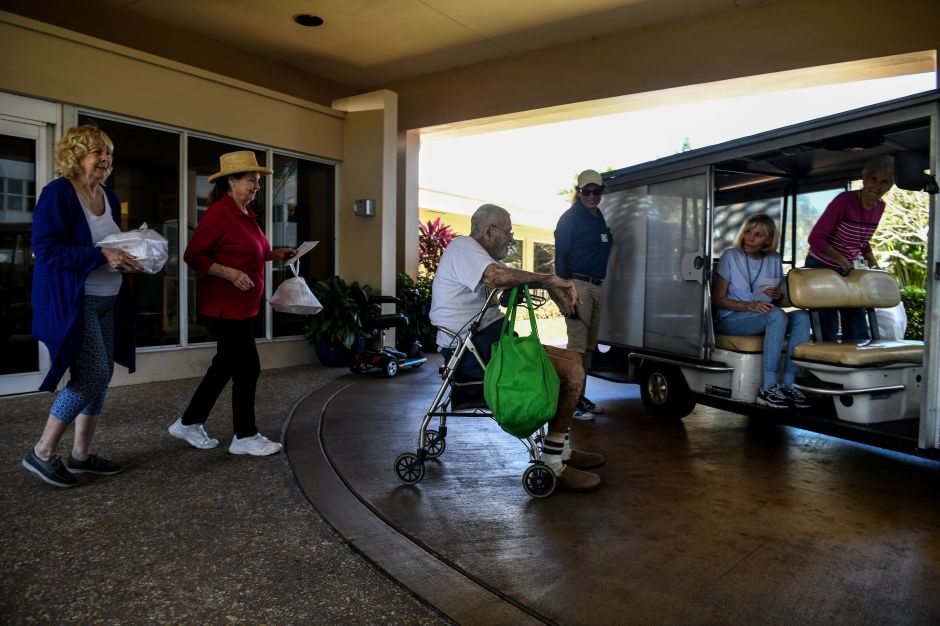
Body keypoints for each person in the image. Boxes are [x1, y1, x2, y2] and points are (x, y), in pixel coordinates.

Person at [430, 203, 605, 492]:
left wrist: (540, 291)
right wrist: (547, 279)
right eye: (508, 232)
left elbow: (497, 286)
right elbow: (496, 277)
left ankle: (560, 448)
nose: (511, 239)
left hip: (489, 340)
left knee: (574, 358)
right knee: (572, 373)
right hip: (472, 350)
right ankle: (553, 462)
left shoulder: (476, 256)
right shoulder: (464, 247)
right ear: (488, 231)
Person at [22, 125, 144, 488]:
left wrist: (131, 256)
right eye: (96, 152)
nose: (105, 159)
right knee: (93, 376)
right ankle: (41, 451)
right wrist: (101, 255)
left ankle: (81, 455)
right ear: (76, 156)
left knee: (100, 378)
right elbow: (45, 248)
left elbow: (110, 246)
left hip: (110, 299)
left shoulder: (108, 194)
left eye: (107, 152)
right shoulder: (58, 194)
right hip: (76, 301)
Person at [168, 151, 296, 456]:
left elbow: (254, 251)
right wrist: (228, 273)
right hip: (225, 306)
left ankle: (188, 422)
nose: (256, 186)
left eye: (258, 181)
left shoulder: (247, 215)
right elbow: (193, 255)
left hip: (243, 305)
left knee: (225, 365)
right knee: (248, 367)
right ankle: (245, 435)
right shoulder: (219, 213)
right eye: (251, 180)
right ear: (232, 181)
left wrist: (275, 254)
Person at [713, 214, 811, 409]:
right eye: (748, 232)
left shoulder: (774, 259)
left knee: (802, 316)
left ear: (768, 239)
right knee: (775, 315)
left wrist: (777, 295)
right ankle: (768, 387)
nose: (750, 238)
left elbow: (779, 302)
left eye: (758, 235)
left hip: (762, 316)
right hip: (731, 318)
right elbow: (717, 299)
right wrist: (749, 306)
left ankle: (789, 383)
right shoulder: (730, 256)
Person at [805, 155, 894, 342]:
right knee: (826, 317)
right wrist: (843, 261)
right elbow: (816, 239)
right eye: (873, 179)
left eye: (884, 182)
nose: (877, 186)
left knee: (856, 316)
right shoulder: (844, 200)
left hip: (848, 267)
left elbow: (862, 239)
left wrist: (875, 265)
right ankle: (826, 361)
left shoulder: (880, 207)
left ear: (890, 186)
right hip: (822, 263)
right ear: (864, 179)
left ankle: (856, 361)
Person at [554, 169, 614, 421]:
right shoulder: (571, 218)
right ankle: (569, 402)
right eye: (586, 191)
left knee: (588, 348)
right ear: (578, 192)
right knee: (577, 348)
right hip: (577, 285)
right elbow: (561, 256)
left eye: (596, 191)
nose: (592, 195)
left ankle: (579, 396)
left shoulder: (597, 215)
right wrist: (565, 291)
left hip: (597, 286)